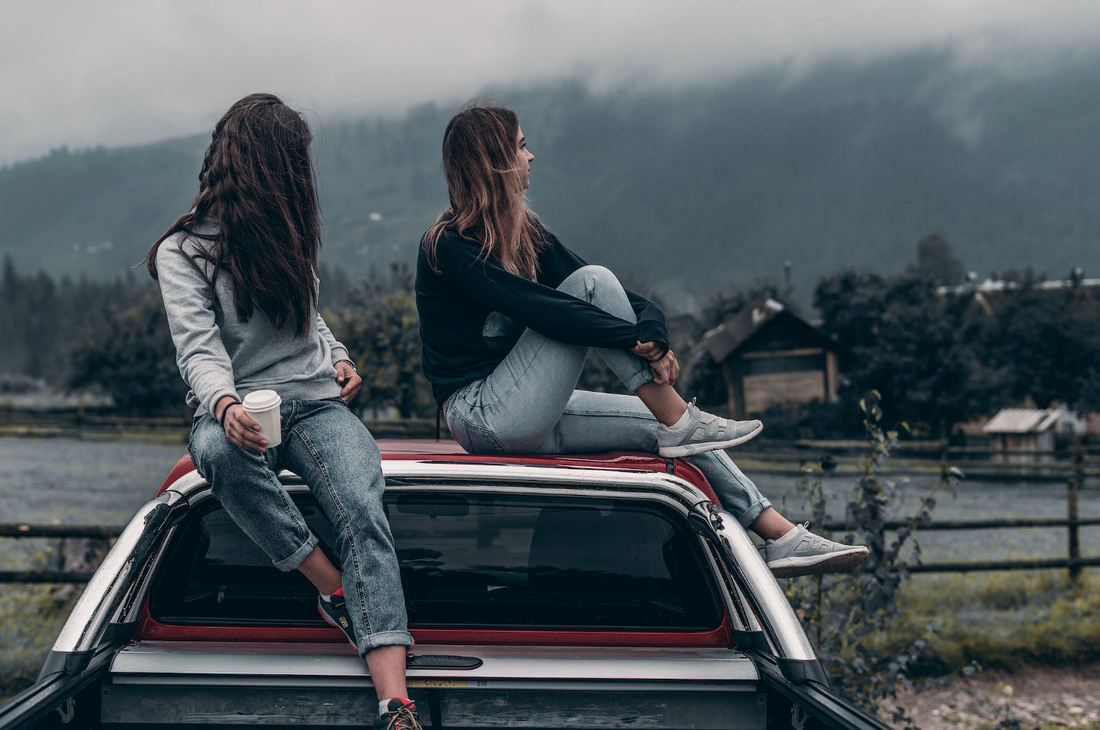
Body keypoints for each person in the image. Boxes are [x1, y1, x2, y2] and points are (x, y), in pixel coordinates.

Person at [415, 104, 867, 578]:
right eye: (522, 146)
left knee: (668, 434)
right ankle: (679, 418)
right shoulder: (448, 245)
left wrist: (652, 329)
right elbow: (546, 309)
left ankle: (781, 536)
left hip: (528, 410)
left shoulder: (523, 231)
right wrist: (634, 340)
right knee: (592, 284)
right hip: (482, 414)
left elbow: (619, 298)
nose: (532, 157)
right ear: (495, 162)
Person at [146, 94, 421, 730]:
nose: (304, 177)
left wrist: (342, 359)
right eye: (294, 162)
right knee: (213, 451)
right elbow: (198, 348)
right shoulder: (183, 252)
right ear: (263, 166)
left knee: (360, 504)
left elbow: (311, 324)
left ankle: (395, 703)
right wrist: (224, 405)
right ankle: (334, 587)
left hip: (318, 404)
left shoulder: (288, 238)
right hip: (243, 408)